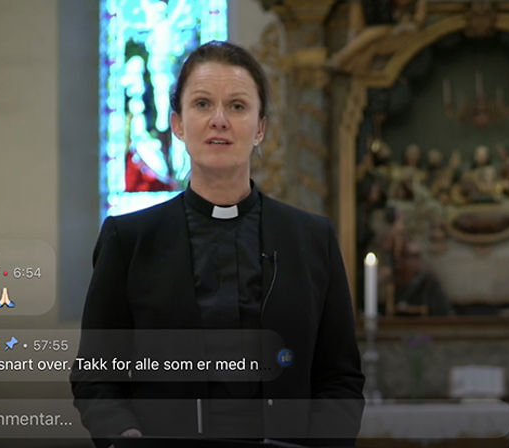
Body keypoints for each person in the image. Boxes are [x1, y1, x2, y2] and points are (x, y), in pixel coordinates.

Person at [71, 41, 365, 447]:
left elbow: (341, 378)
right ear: (178, 123)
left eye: (238, 106)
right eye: (203, 104)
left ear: (260, 127)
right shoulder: (129, 241)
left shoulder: (312, 240)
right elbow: (96, 374)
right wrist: (125, 435)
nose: (219, 120)